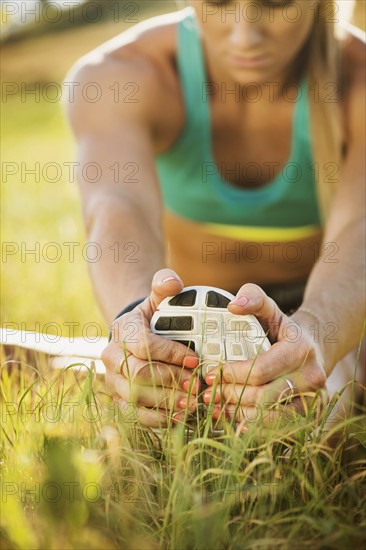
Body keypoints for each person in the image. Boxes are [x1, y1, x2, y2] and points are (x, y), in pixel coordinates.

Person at [65, 0, 365, 429]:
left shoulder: (358, 80)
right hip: (191, 321)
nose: (244, 35)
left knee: (315, 424)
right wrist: (133, 322)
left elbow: (360, 229)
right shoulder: (120, 75)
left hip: (328, 313)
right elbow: (115, 206)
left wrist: (315, 334)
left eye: (277, 2)